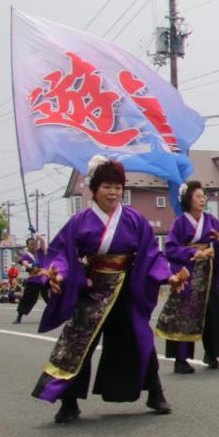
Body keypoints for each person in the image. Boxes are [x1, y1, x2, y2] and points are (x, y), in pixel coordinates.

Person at [32, 157, 185, 423]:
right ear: (94, 188)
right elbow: (62, 254)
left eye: (117, 187)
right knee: (78, 342)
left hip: (126, 287)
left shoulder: (134, 218)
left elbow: (151, 253)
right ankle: (68, 402)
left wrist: (168, 276)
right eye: (107, 186)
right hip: (92, 288)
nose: (113, 192)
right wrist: (58, 274)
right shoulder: (79, 221)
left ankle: (155, 393)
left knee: (141, 338)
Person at [156, 181, 219, 374]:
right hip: (190, 274)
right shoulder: (180, 222)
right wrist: (192, 254)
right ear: (188, 199)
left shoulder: (211, 220)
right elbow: (170, 248)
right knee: (185, 314)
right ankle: (181, 359)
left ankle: (212, 352)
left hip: (208, 273)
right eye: (198, 196)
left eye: (204, 197)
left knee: (213, 312)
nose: (203, 200)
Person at [14, 235, 50, 324]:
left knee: (51, 297)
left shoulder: (41, 252)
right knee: (27, 298)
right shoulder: (26, 255)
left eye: (34, 244)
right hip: (34, 279)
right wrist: (31, 265)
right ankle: (19, 317)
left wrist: (37, 234)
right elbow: (24, 263)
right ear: (28, 246)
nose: (33, 246)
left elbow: (42, 241)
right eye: (31, 244)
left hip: (45, 279)